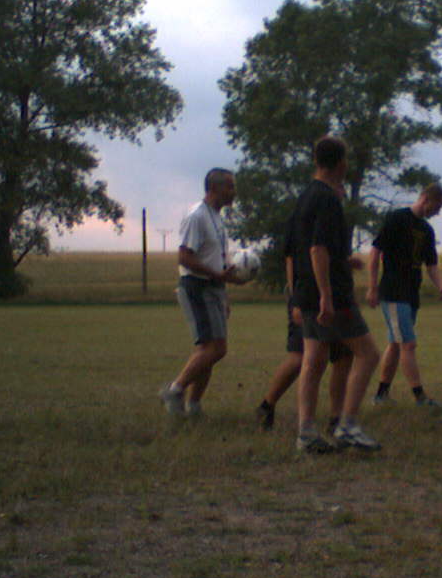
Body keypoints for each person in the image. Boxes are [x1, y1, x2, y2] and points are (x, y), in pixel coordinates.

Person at [290, 135, 381, 453]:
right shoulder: (327, 198)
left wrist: (342, 260)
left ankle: (306, 433)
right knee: (368, 354)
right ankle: (347, 426)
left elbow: (306, 248)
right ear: (341, 164)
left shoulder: (306, 196)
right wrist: (327, 296)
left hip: (305, 292)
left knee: (313, 361)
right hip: (331, 296)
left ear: (317, 160)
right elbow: (317, 249)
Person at [160, 168, 248, 418]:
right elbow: (184, 257)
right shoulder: (196, 216)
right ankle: (175, 390)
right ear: (215, 188)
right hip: (197, 287)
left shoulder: (216, 217)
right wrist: (216, 276)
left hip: (213, 288)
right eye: (230, 186)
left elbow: (214, 258)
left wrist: (224, 289)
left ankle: (194, 405)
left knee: (209, 350)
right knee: (214, 349)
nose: (234, 192)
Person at [257, 217, 351, 431]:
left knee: (343, 355)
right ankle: (267, 405)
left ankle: (336, 418)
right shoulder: (302, 219)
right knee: (300, 358)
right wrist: (296, 300)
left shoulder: (333, 217)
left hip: (335, 298)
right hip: (307, 298)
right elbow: (291, 260)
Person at [367, 183, 442, 406]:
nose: (437, 212)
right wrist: (372, 287)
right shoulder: (397, 218)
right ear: (425, 198)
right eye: (437, 207)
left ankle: (381, 395)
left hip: (412, 293)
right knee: (408, 344)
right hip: (394, 292)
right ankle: (420, 397)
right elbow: (375, 253)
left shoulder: (427, 230)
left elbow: (431, 264)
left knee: (396, 344)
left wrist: (440, 284)